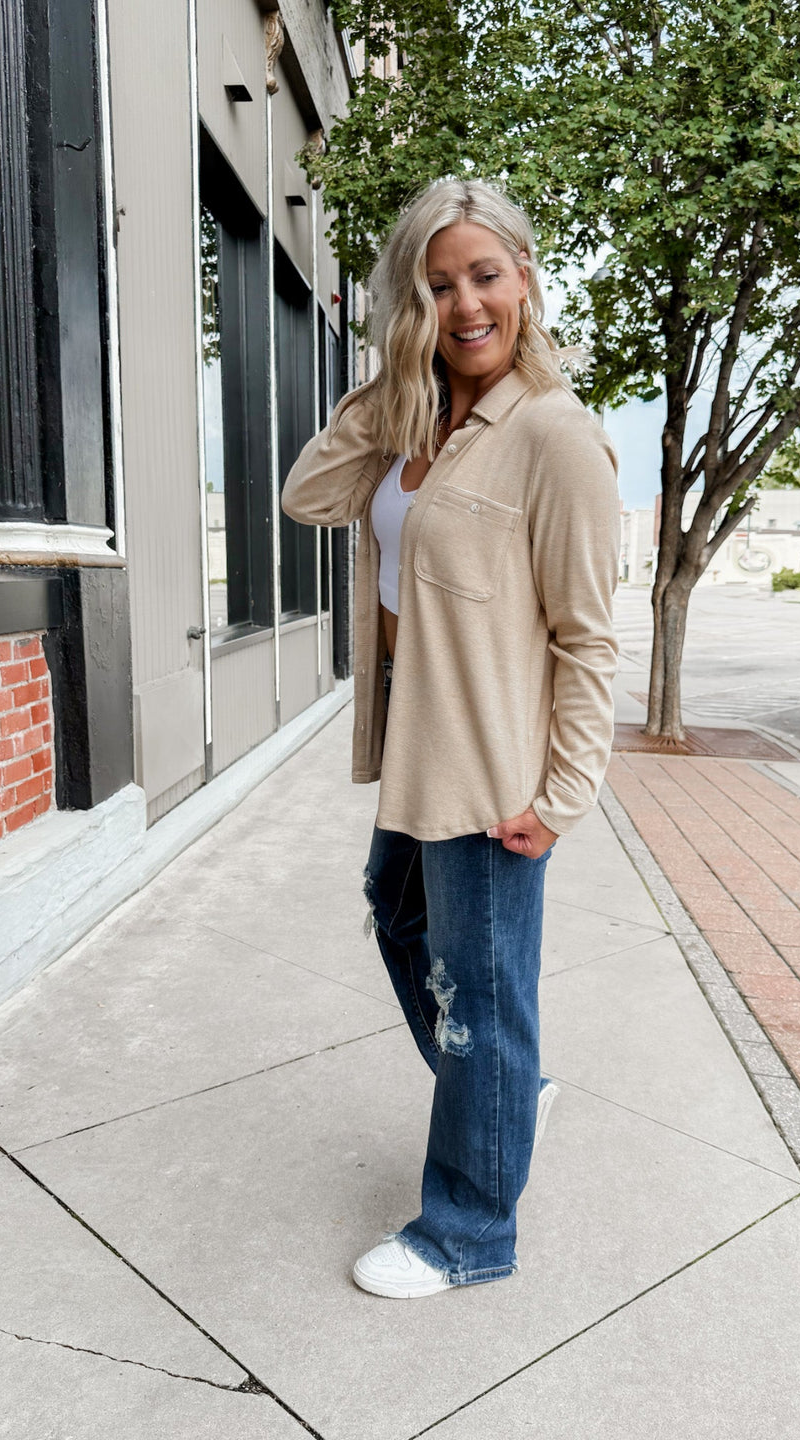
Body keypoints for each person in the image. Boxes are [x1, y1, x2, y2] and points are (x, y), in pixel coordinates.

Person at [282, 177, 620, 1299]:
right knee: (399, 919)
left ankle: (470, 1232)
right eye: (436, 286)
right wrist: (394, 379)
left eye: (484, 274)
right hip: (418, 762)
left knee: (477, 1001)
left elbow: (587, 638)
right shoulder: (417, 421)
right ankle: (506, 1101)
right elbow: (308, 495)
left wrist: (561, 796)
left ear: (524, 276)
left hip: (490, 777)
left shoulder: (553, 436)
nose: (466, 303)